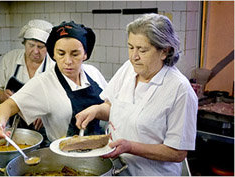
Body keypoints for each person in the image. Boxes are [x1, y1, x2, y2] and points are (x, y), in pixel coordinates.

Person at [75, 13, 198, 176]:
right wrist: (97, 110)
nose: (134, 57)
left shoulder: (180, 90)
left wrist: (130, 147)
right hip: (116, 170)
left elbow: (177, 153)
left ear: (165, 51)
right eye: (131, 47)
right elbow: (113, 108)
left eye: (142, 50)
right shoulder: (128, 69)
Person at [0, 21, 107, 142]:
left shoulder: (93, 73)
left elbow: (112, 106)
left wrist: (97, 110)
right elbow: (7, 106)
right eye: (61, 53)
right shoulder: (44, 82)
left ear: (85, 54)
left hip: (100, 148)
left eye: (75, 54)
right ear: (53, 54)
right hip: (65, 155)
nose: (68, 61)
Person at [0, 19, 55, 131]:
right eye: (31, 45)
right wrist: (2, 96)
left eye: (41, 47)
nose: (35, 51)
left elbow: (63, 100)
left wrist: (48, 113)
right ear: (24, 43)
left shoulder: (54, 66)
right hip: (12, 125)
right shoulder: (10, 59)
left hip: (45, 128)